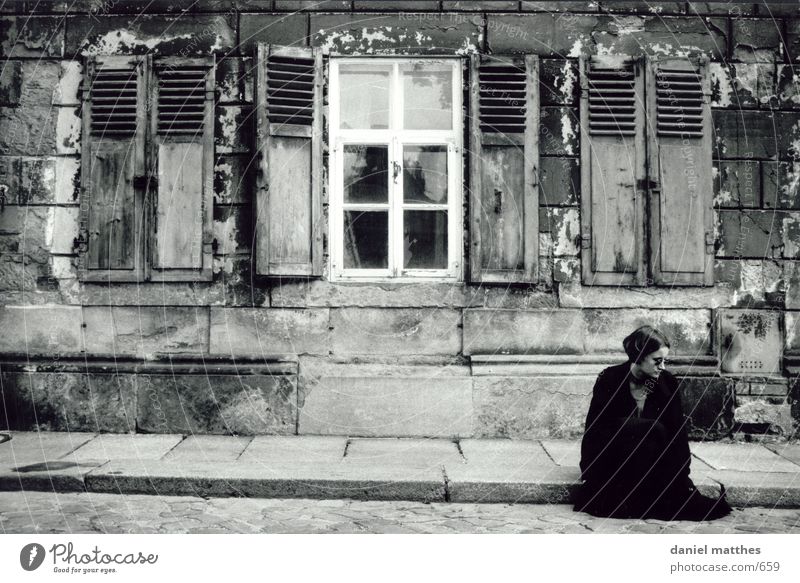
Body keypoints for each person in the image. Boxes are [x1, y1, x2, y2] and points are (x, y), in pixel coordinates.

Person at [574, 325, 731, 521]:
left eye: (665, 360)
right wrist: (590, 471)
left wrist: (682, 475)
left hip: (653, 463)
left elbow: (677, 434)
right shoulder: (610, 379)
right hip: (617, 461)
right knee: (647, 429)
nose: (662, 366)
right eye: (657, 361)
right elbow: (596, 430)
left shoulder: (666, 382)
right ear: (639, 357)